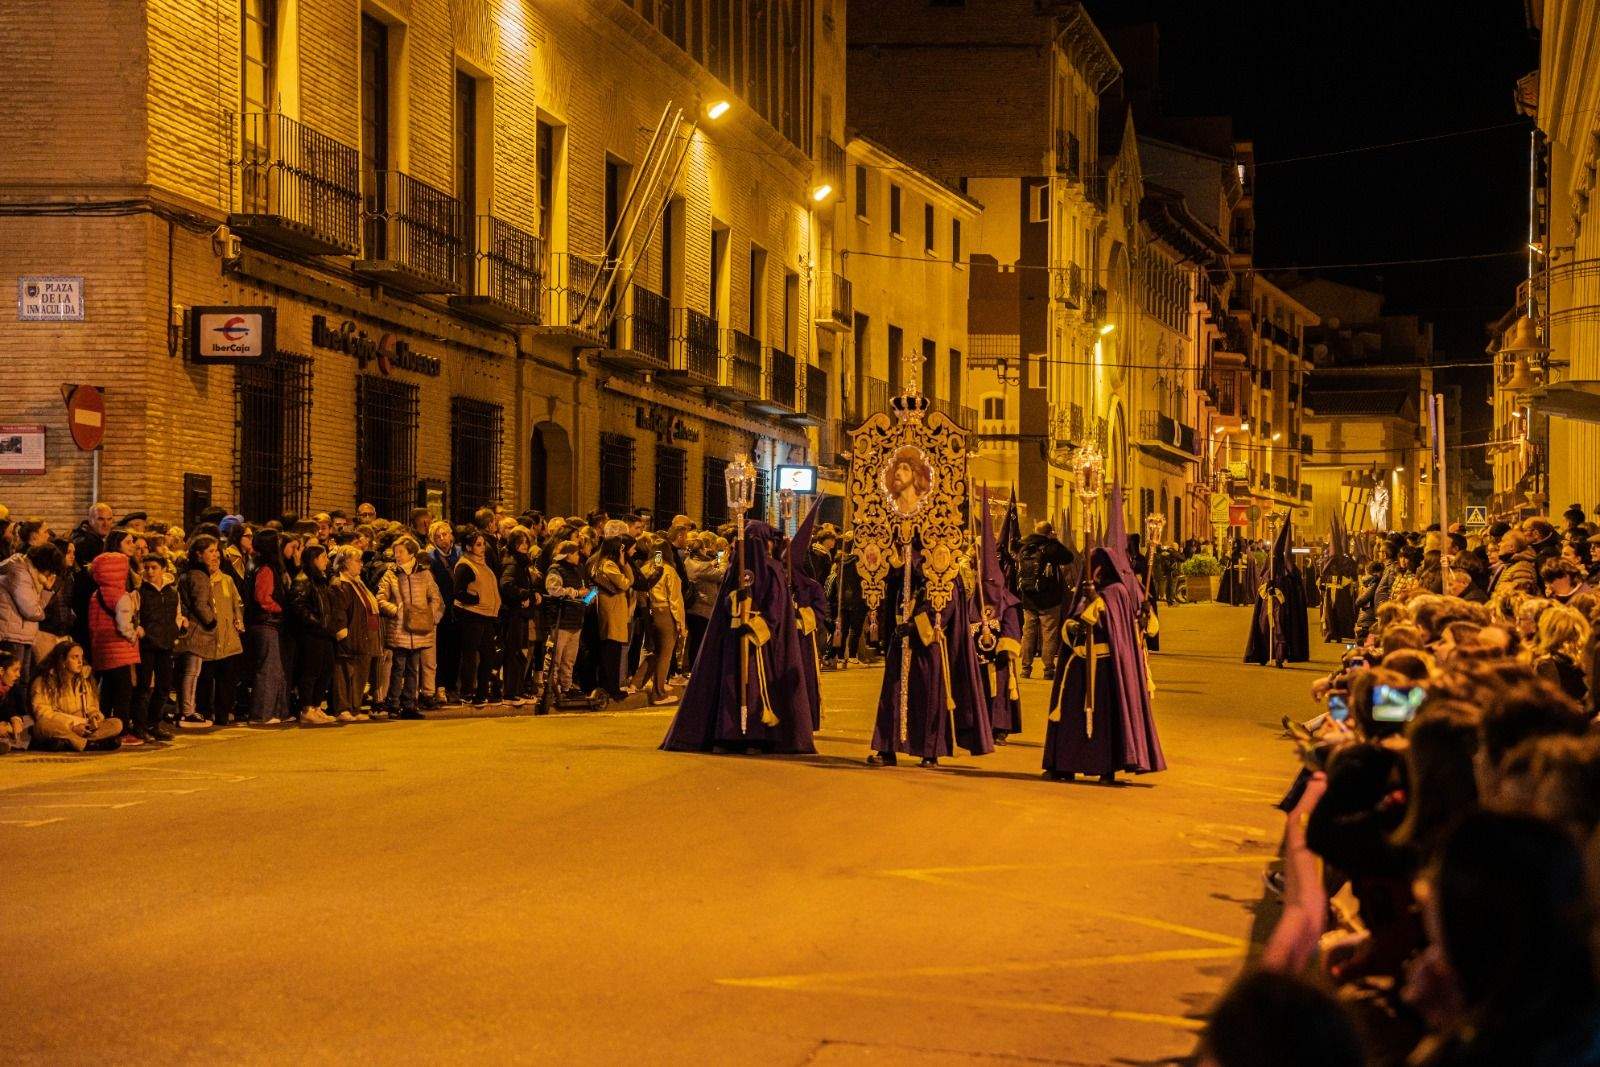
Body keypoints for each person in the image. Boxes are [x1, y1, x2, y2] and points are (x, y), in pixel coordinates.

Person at [1043, 488, 1166, 783]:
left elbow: (1119, 626)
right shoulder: (1087, 589)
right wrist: (1076, 623)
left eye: (1099, 568)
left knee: (1107, 720)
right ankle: (1064, 763)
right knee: (1072, 717)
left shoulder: (1116, 592)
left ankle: (1107, 768)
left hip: (1109, 666)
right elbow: (1070, 623)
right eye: (1092, 567)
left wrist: (1135, 613)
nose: (1095, 573)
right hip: (1080, 663)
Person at [662, 520, 816, 754]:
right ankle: (726, 734)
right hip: (733, 637)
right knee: (730, 685)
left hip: (759, 642)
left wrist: (756, 624)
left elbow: (775, 609)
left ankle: (756, 736)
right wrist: (735, 600)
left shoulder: (772, 569)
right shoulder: (736, 569)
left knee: (755, 686)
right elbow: (723, 605)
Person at [174, 534, 245, 728]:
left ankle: (222, 714)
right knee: (201, 677)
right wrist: (211, 622)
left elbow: (236, 604)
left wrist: (238, 622)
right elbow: (200, 605)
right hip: (204, 637)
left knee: (226, 680)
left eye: (217, 552)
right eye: (211, 551)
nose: (216, 556)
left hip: (226, 638)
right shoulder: (198, 577)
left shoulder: (226, 580)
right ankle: (199, 712)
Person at [972, 496, 1024, 743]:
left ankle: (1000, 728)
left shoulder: (1008, 601)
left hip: (999, 660)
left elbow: (1012, 629)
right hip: (978, 658)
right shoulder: (974, 597)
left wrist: (1004, 648)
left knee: (1000, 690)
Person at [376, 535, 443, 720]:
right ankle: (393, 704)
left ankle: (409, 704)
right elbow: (380, 599)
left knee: (414, 667)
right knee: (398, 667)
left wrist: (429, 616)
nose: (397, 555)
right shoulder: (390, 574)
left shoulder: (424, 574)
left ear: (411, 553)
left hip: (419, 629)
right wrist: (395, 610)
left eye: (401, 552)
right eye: (395, 552)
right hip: (398, 629)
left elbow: (435, 597)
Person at [86, 534, 144, 746]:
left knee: (107, 692)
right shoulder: (121, 596)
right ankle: (121, 730)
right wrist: (135, 633)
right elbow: (124, 625)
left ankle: (105, 729)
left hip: (102, 650)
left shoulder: (96, 594)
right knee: (123, 693)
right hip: (120, 651)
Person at [30, 640, 123, 751]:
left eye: (81, 657)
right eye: (74, 657)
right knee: (43, 725)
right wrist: (73, 725)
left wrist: (95, 716)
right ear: (62, 661)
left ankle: (74, 742)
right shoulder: (44, 681)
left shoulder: (83, 681)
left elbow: (92, 707)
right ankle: (90, 744)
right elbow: (43, 713)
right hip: (64, 726)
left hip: (84, 727)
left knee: (117, 723)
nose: (80, 661)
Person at [1245, 516, 1311, 668]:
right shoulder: (1269, 571)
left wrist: (1279, 590)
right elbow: (1261, 589)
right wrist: (1268, 587)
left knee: (1279, 630)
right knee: (1264, 628)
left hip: (1280, 607)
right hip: (1267, 605)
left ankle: (1280, 657)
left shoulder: (1289, 573)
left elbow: (1292, 593)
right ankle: (1262, 655)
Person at [629, 533, 686, 705]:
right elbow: (675, 599)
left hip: (650, 611)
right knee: (665, 654)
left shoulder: (646, 568)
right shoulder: (668, 571)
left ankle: (636, 683)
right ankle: (659, 693)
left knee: (654, 652)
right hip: (665, 612)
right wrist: (680, 623)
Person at [1015, 520, 1075, 679]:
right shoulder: (1050, 548)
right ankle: (1048, 669)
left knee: (1028, 633)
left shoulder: (1024, 547)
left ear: (1035, 530)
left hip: (1028, 599)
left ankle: (1025, 668)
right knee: (1049, 634)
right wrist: (1054, 540)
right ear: (1049, 532)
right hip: (1049, 600)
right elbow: (1069, 557)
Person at [289, 543, 341, 725]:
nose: (326, 561)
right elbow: (298, 607)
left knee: (326, 669)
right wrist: (316, 623)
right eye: (323, 557)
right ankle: (306, 708)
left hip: (324, 633)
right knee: (311, 671)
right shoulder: (303, 580)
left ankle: (316, 706)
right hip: (311, 634)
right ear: (314, 559)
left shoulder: (321, 579)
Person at [133, 552, 183, 741]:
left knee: (163, 686)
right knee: (144, 686)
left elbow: (177, 614)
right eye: (146, 568)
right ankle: (139, 725)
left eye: (154, 567)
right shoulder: (139, 592)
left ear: (163, 569)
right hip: (146, 645)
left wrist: (175, 630)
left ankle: (154, 723)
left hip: (165, 644)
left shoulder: (172, 592)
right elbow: (134, 615)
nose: (150, 571)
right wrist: (141, 631)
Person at [329, 545, 380, 722]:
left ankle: (355, 707)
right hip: (350, 635)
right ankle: (343, 708)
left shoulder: (358, 583)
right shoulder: (340, 585)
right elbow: (339, 611)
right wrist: (342, 632)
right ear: (345, 563)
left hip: (364, 635)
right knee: (344, 673)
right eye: (357, 561)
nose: (361, 564)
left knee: (360, 672)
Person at [246, 528, 291, 725]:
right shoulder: (265, 568)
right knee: (268, 669)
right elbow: (262, 597)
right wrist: (280, 608)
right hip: (266, 622)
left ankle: (276, 711)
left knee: (275, 669)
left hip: (268, 622)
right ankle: (262, 713)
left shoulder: (261, 565)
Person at [451, 529, 501, 705]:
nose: (482, 548)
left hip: (486, 615)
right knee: (470, 656)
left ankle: (482, 692)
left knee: (488, 655)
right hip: (472, 615)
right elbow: (458, 592)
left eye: (483, 544)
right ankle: (467, 692)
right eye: (478, 545)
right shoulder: (465, 565)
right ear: (468, 547)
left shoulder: (483, 564)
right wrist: (476, 599)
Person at [591, 522, 637, 703]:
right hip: (611, 611)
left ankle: (612, 686)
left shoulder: (606, 563)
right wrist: (623, 563)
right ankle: (611, 687)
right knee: (611, 651)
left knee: (615, 651)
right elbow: (626, 583)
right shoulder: (608, 564)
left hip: (615, 610)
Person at [542, 540, 589, 700]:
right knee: (555, 657)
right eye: (576, 553)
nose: (578, 556)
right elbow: (553, 590)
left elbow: (584, 592)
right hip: (561, 621)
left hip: (576, 620)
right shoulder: (556, 570)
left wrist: (589, 597)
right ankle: (550, 688)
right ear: (568, 555)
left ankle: (566, 687)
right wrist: (576, 593)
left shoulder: (578, 570)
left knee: (569, 659)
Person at [498, 528, 539, 705]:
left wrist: (532, 594)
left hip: (521, 613)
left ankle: (519, 690)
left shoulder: (522, 562)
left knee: (522, 651)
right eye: (520, 543)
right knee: (514, 652)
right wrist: (525, 596)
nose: (524, 546)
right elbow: (507, 586)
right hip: (514, 614)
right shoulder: (512, 562)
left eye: (526, 542)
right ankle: (510, 692)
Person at [1320, 517, 1360, 644]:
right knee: (1329, 613)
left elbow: (1351, 574)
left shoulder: (1346, 560)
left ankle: (1338, 633)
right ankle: (1330, 632)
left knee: (1339, 612)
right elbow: (1323, 573)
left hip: (1341, 590)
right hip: (1329, 589)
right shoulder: (1327, 558)